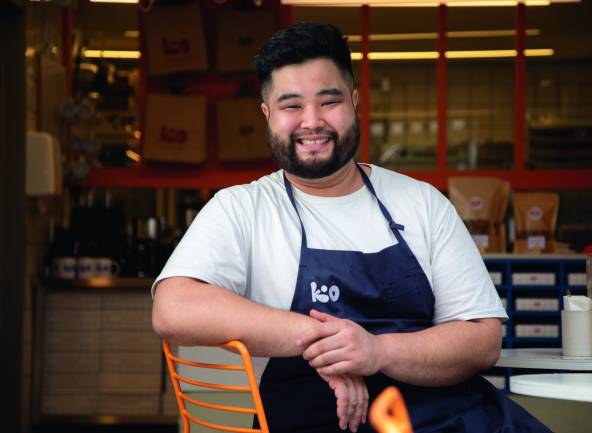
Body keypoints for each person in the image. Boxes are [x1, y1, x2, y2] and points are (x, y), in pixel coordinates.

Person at [152, 22, 552, 433]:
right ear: (267, 114)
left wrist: (375, 351)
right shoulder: (243, 208)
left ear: (355, 102)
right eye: (291, 106)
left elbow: (481, 340)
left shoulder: (422, 203)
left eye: (329, 102)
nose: (312, 122)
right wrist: (324, 340)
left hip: (449, 419)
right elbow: (173, 307)